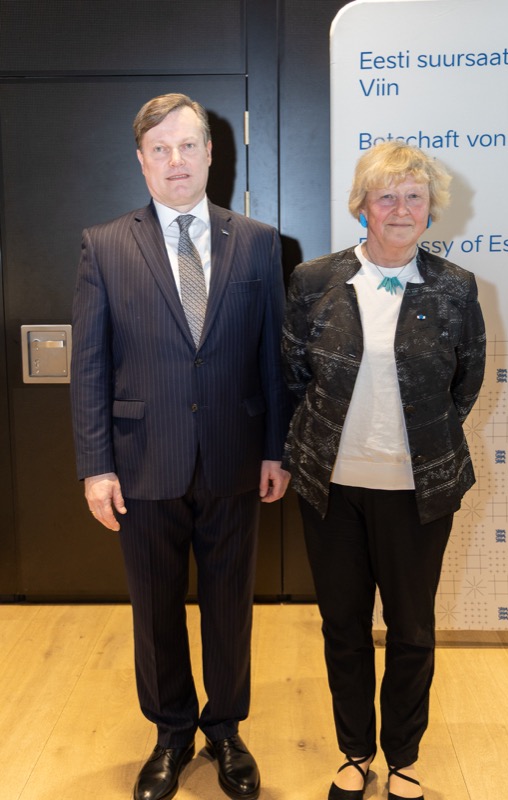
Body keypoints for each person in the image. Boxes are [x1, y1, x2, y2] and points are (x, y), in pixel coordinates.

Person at [70, 92, 291, 800]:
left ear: (210, 153)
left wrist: (276, 448)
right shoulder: (105, 244)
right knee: (155, 608)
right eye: (159, 149)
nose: (175, 160)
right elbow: (90, 365)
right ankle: (170, 732)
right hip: (141, 462)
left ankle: (225, 729)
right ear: (141, 161)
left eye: (187, 145)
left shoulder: (258, 242)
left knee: (229, 605)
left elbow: (272, 358)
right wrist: (95, 466)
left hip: (234, 458)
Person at [281, 140, 485, 800]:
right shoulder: (314, 280)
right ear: (362, 206)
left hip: (418, 491)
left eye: (413, 197)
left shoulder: (454, 287)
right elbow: (294, 376)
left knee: (411, 629)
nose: (400, 209)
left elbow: (465, 383)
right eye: (386, 196)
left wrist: (414, 442)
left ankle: (402, 758)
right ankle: (353, 752)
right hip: (332, 487)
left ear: (430, 208)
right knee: (342, 627)